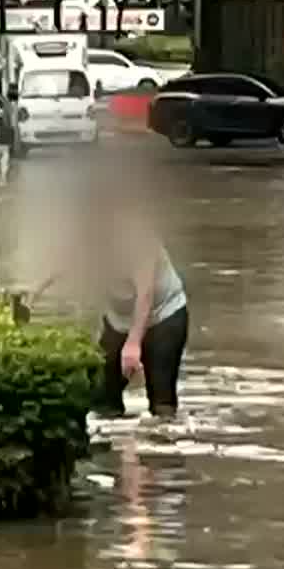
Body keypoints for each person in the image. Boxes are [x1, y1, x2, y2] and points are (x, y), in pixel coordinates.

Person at [28, 153, 190, 419]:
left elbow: (145, 293)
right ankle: (110, 454)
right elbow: (65, 261)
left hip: (164, 316)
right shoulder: (88, 234)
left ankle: (162, 449)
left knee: (161, 397)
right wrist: (34, 292)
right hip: (118, 319)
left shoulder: (137, 237)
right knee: (103, 394)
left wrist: (134, 344)